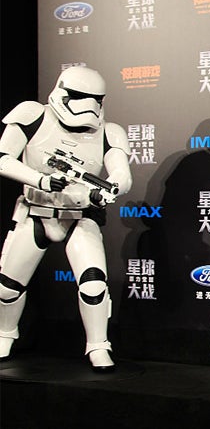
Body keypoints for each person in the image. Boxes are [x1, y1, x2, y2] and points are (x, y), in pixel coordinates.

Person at [0, 66, 133, 371]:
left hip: (78, 216)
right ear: (62, 93)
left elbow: (121, 173)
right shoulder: (33, 116)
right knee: (7, 287)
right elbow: (3, 158)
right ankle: (5, 333)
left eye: (94, 99)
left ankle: (98, 345)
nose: (87, 106)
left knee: (94, 284)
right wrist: (41, 180)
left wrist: (110, 187)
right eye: (78, 97)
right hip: (35, 211)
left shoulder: (109, 132)